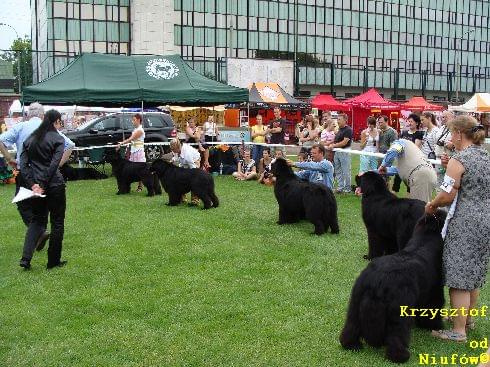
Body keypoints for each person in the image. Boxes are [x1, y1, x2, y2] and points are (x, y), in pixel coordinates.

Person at [425, 115, 489, 343]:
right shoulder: (484, 155)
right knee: (473, 273)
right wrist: (450, 166)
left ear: (460, 134)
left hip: (465, 222)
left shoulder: (459, 159)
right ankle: (468, 320)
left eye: (452, 133)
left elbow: (447, 195)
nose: (450, 137)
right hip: (485, 220)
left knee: (458, 276)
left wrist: (432, 205)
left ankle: (458, 330)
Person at [0, 103, 74, 251]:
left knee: (23, 203)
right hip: (47, 174)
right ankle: (40, 234)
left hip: (26, 173)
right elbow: (70, 145)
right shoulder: (48, 129)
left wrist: (9, 159)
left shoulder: (20, 127)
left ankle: (38, 233)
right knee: (43, 205)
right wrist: (57, 165)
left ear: (28, 114)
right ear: (42, 115)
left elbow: (0, 140)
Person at [19, 110, 68, 269]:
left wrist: (33, 184)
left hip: (36, 186)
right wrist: (42, 184)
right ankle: (53, 262)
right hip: (53, 186)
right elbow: (54, 165)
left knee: (37, 220)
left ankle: (26, 258)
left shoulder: (30, 139)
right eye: (60, 122)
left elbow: (23, 165)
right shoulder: (58, 139)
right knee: (57, 222)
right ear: (56, 121)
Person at [393, 113, 424, 193]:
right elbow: (398, 145)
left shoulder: (419, 134)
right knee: (396, 184)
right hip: (401, 162)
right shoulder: (404, 132)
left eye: (411, 121)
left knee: (409, 187)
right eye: (408, 121)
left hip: (411, 164)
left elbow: (415, 147)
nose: (409, 123)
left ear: (417, 123)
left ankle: (410, 204)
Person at [117, 113, 145, 192]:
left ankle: (140, 187)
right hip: (133, 151)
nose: (132, 122)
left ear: (138, 120)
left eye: (134, 120)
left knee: (140, 170)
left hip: (138, 151)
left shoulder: (140, 130)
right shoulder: (135, 129)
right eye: (132, 120)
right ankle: (128, 186)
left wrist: (121, 144)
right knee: (133, 170)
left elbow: (131, 139)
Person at [327, 113, 353, 193]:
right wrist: (327, 143)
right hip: (337, 152)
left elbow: (344, 142)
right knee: (338, 170)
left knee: (346, 170)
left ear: (345, 120)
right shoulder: (339, 130)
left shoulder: (348, 130)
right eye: (337, 119)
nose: (337, 121)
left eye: (339, 119)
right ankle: (340, 187)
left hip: (344, 152)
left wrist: (333, 145)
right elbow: (336, 140)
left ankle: (347, 188)